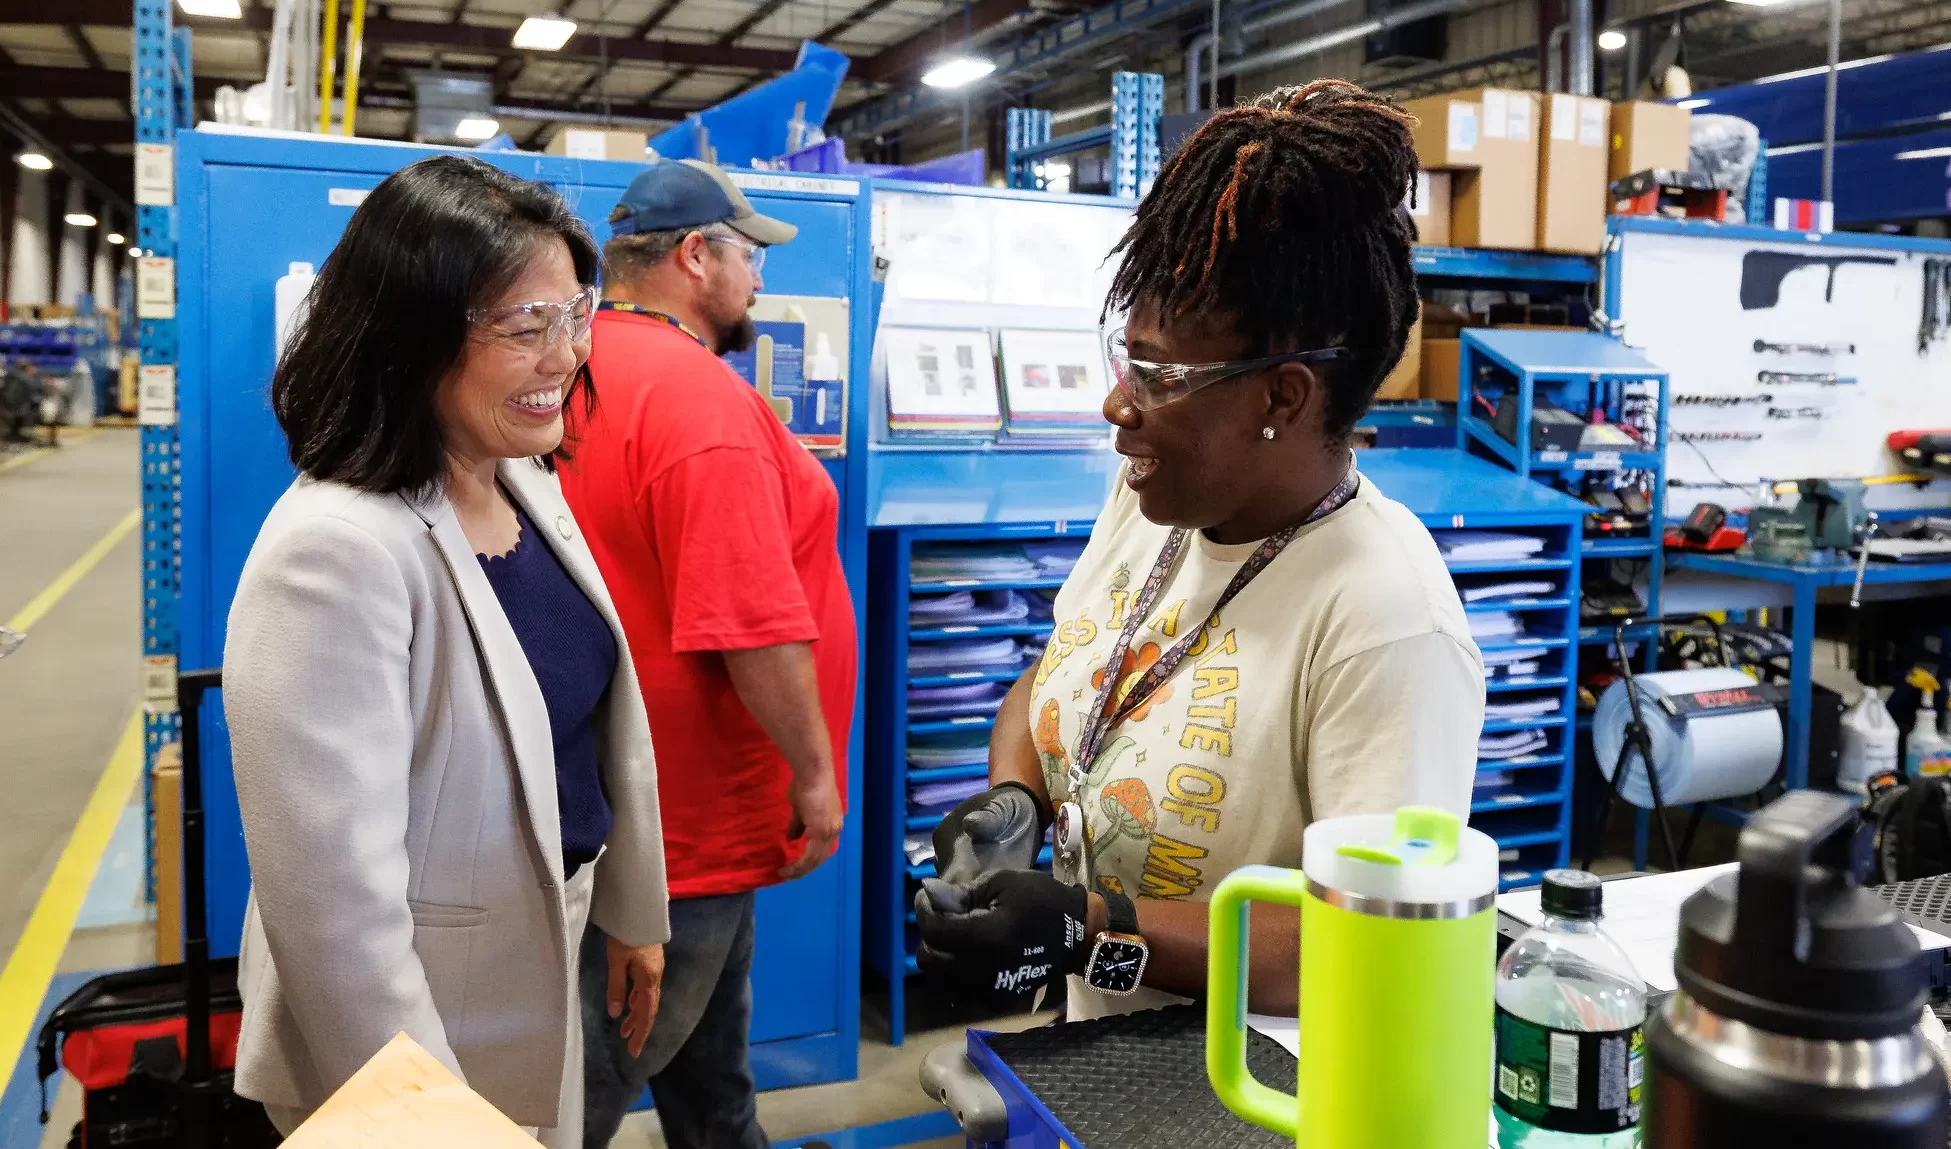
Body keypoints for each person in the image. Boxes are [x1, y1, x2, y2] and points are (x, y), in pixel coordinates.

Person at [915, 80, 1483, 1022]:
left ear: (1281, 397)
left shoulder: (1386, 621)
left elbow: (1366, 944)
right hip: (1111, 1063)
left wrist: (1089, 930)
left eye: (1159, 375)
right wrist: (1013, 803)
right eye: (1124, 358)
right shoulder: (1153, 504)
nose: (1117, 403)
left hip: (1247, 1083)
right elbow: (1059, 674)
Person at [222, 155, 670, 1146]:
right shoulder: (335, 551)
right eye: (526, 326)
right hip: (405, 1025)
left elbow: (590, 731)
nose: (566, 355)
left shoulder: (520, 479)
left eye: (576, 314)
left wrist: (631, 908)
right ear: (409, 337)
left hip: (537, 961)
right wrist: (425, 1123)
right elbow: (333, 913)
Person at [556, 159, 854, 1149]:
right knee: (595, 1081)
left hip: (618, 798)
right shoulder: (700, 400)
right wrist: (815, 775)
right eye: (747, 256)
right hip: (688, 822)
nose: (759, 278)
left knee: (708, 1069)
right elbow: (749, 622)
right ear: (694, 256)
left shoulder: (571, 366)